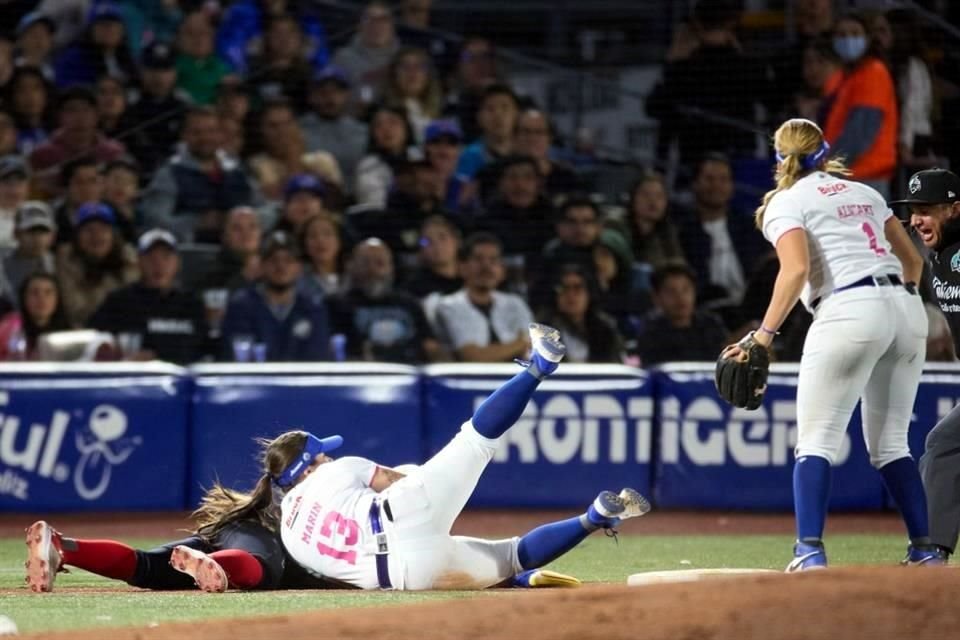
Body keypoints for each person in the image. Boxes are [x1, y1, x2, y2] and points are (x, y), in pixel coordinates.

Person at [276, 324, 649, 590]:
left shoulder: (289, 535)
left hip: (405, 577)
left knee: (512, 557)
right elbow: (400, 481)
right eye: (320, 455)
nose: (326, 458)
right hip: (402, 512)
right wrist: (438, 487)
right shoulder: (337, 470)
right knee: (475, 439)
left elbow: (337, 578)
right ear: (307, 466)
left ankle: (595, 517)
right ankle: (539, 366)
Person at [735, 118, 938, 570]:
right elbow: (913, 262)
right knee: (892, 445)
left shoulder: (786, 201)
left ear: (778, 158)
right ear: (825, 152)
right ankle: (925, 549)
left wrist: (762, 336)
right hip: (907, 310)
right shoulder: (864, 192)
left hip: (848, 308)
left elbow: (795, 270)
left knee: (816, 441)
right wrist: (892, 304)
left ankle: (809, 551)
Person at [890, 169, 960, 561]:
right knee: (944, 445)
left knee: (943, 445)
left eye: (928, 209)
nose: (917, 219)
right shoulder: (937, 258)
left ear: (954, 209)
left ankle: (931, 551)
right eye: (914, 210)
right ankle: (933, 552)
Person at [89, 229, 210, 365]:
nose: (159, 265)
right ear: (138, 262)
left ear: (177, 263)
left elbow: (207, 350)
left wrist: (159, 357)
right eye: (151, 258)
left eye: (166, 257)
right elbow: (93, 344)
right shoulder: (119, 302)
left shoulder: (192, 303)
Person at [141, 106, 260, 243]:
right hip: (190, 255)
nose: (205, 138)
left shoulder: (237, 170)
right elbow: (154, 224)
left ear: (220, 134)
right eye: (197, 132)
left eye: (211, 131)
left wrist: (241, 221)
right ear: (184, 135)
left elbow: (266, 208)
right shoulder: (169, 174)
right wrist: (196, 223)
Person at [220, 230, 331, 362]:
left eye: (288, 260)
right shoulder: (241, 306)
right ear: (262, 266)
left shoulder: (312, 309)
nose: (281, 266)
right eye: (273, 260)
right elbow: (238, 357)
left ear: (298, 268)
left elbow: (318, 359)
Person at [821, 12, 898, 198]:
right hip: (845, 176)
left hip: (864, 178)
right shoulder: (841, 77)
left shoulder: (873, 73)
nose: (848, 39)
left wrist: (829, 169)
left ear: (867, 38)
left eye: (855, 33)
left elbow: (860, 133)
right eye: (841, 34)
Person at [330, 238, 439, 363]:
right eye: (365, 263)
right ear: (353, 266)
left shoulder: (410, 304)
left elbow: (431, 348)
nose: (372, 270)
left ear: (391, 268)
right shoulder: (337, 305)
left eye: (380, 263)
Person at [434, 232, 533, 363]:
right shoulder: (448, 305)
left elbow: (534, 350)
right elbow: (473, 357)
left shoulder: (515, 304)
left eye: (493, 260)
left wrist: (520, 345)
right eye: (478, 259)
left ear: (502, 270)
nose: (486, 266)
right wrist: (520, 343)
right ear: (462, 268)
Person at [55, 202, 139, 327]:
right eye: (89, 230)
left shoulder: (128, 258)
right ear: (77, 236)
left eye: (103, 230)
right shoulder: (66, 260)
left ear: (113, 235)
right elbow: (76, 311)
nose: (96, 236)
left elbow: (134, 307)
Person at [634, 263, 727, 366]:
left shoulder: (710, 323)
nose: (680, 298)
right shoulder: (650, 332)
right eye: (671, 292)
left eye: (686, 290)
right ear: (656, 297)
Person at [537, 264, 624, 364]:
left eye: (577, 288)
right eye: (564, 288)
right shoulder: (544, 329)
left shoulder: (605, 329)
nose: (570, 294)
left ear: (589, 293)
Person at [298, 66, 368, 191]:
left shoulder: (362, 131)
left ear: (347, 95)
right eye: (323, 92)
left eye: (336, 92)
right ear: (311, 96)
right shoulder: (299, 130)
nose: (330, 98)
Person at [332, 1, 401, 111]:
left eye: (383, 20)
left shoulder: (404, 59)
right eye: (370, 20)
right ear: (359, 26)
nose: (377, 26)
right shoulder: (342, 58)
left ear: (392, 26)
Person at [0, 272, 71, 361]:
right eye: (34, 292)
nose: (41, 298)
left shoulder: (70, 334)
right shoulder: (7, 328)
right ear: (24, 297)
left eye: (48, 292)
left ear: (58, 299)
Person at [3, 201, 57, 295]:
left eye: (43, 231)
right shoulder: (2, 264)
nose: (37, 238)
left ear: (53, 236)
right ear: (16, 233)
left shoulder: (59, 265)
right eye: (30, 231)